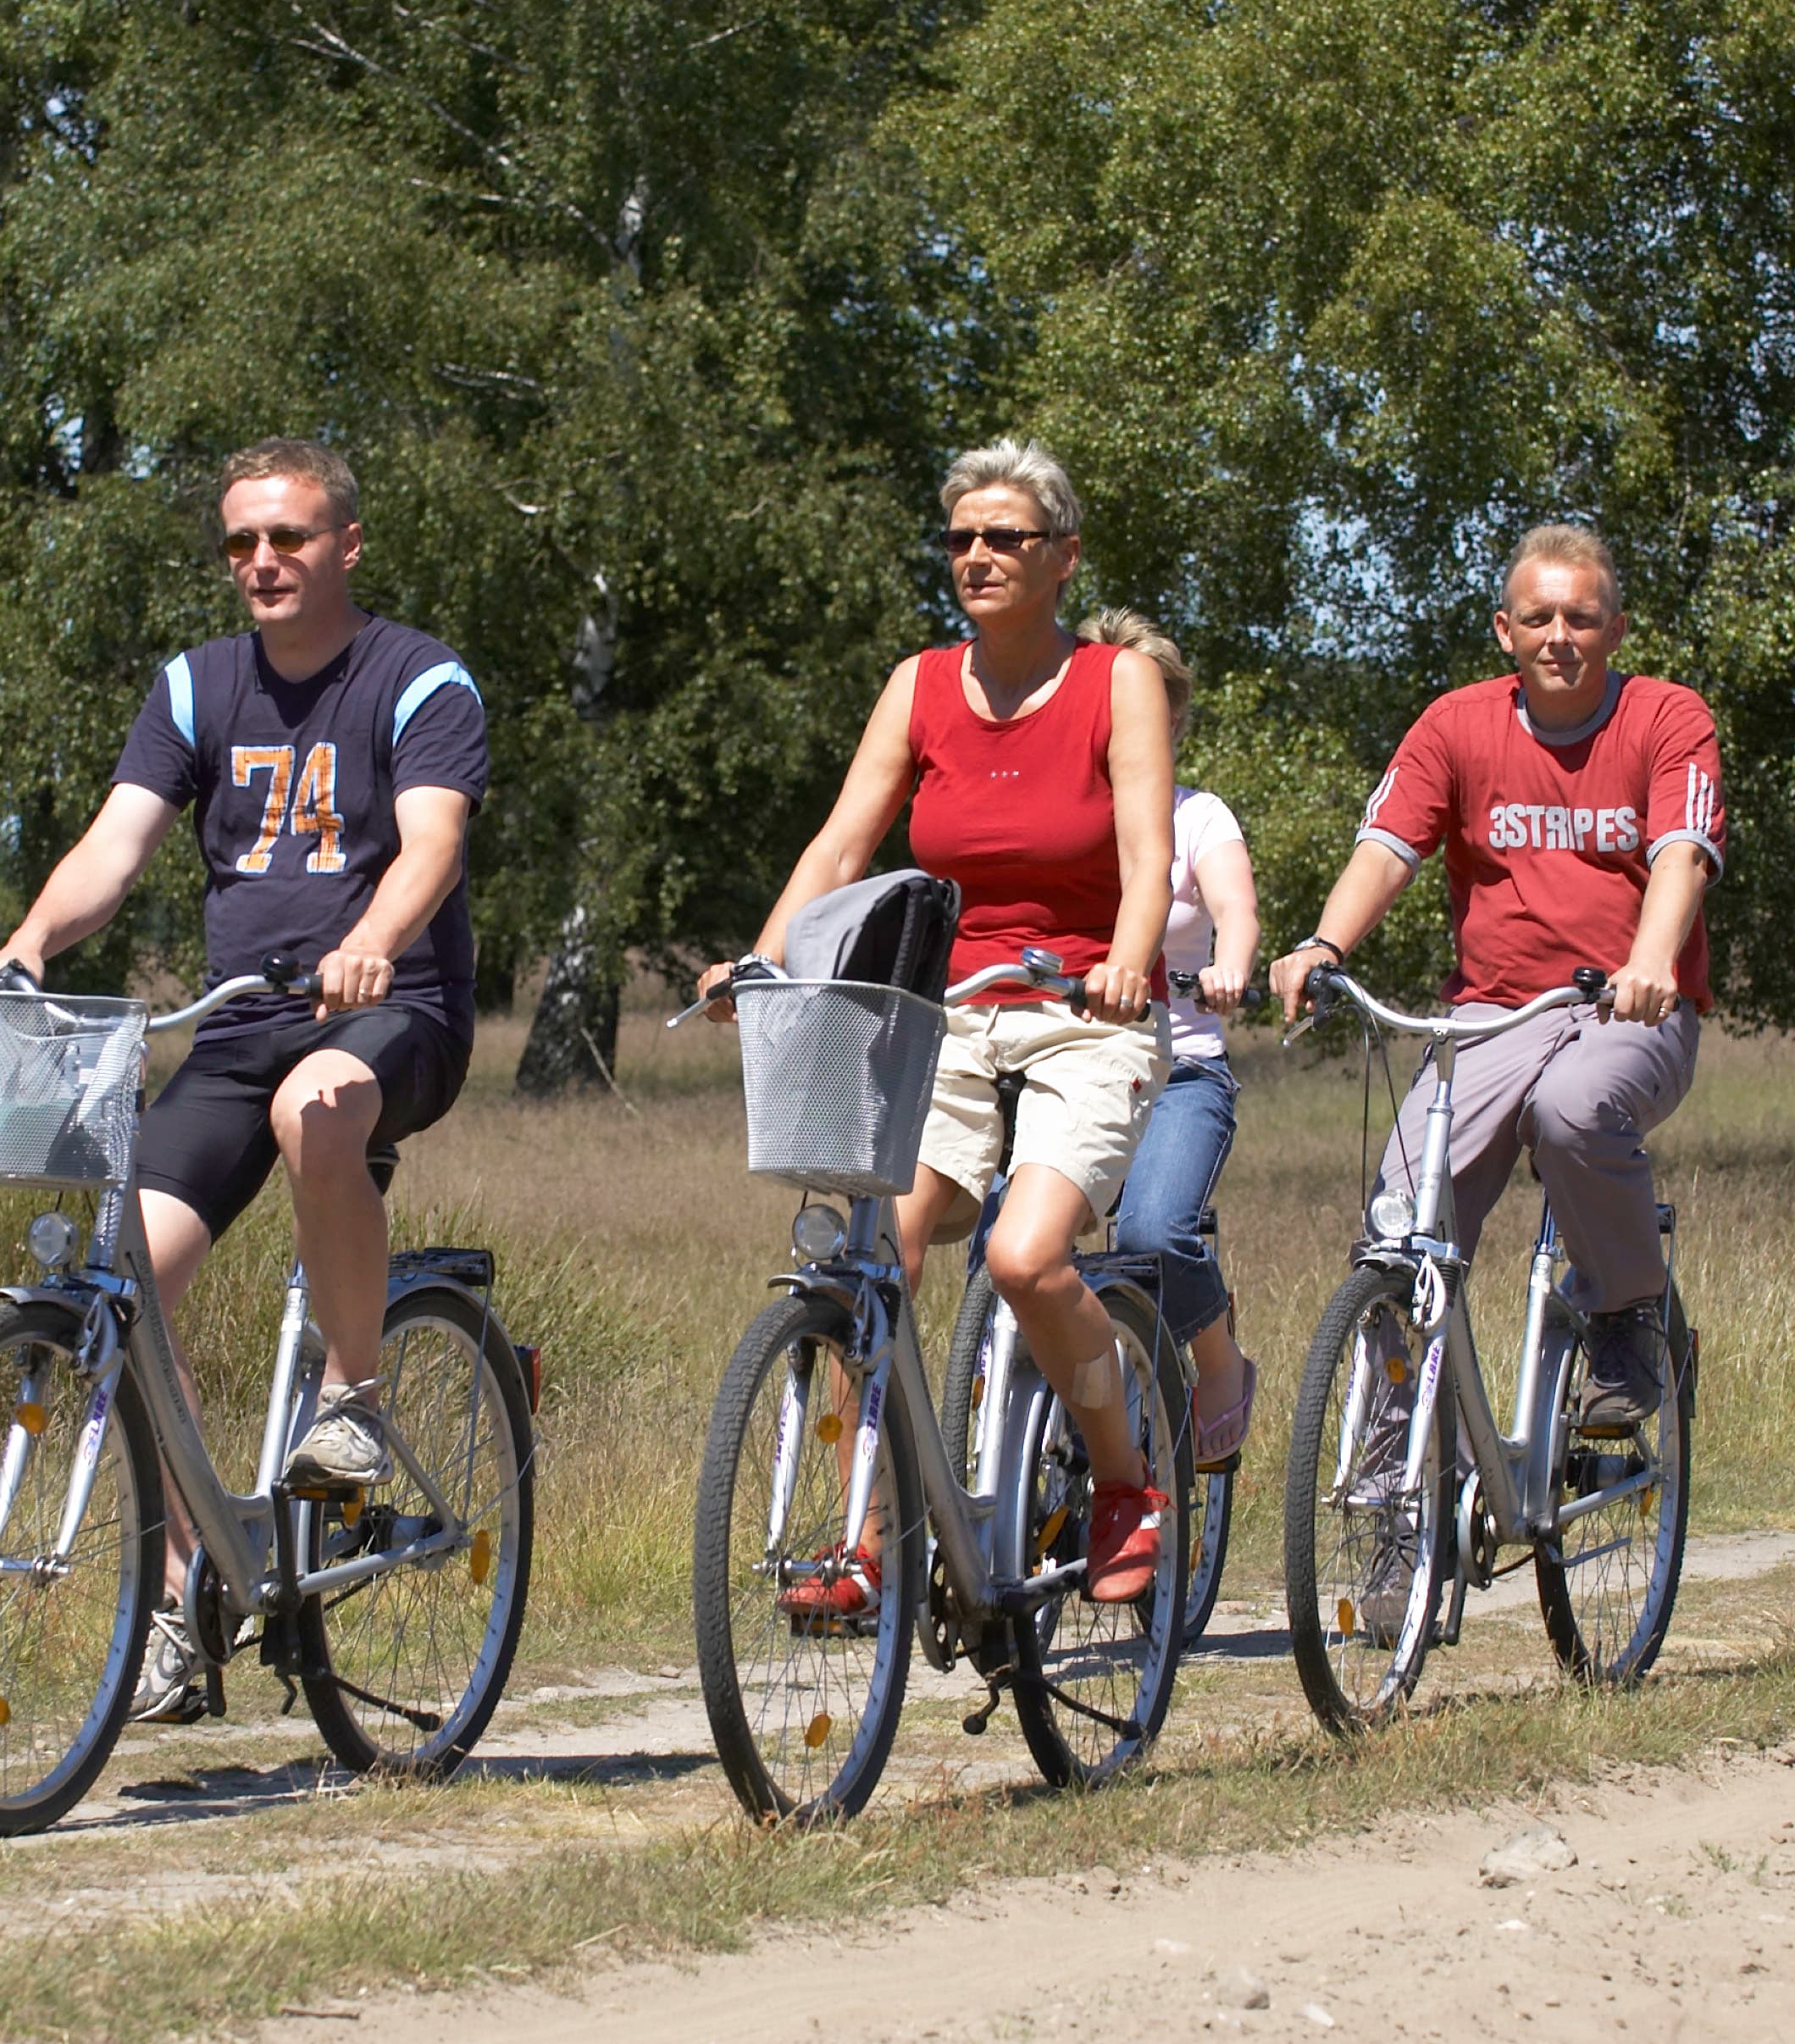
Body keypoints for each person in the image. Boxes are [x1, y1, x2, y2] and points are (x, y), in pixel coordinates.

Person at [0, 436, 490, 1720]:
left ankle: (353, 1400)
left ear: (345, 546)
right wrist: (34, 936)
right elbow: (118, 838)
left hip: (390, 1012)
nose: (263, 561)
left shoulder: (418, 679)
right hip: (241, 1018)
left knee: (316, 1108)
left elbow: (433, 841)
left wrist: (372, 941)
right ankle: (190, 1585)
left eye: (290, 537)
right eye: (242, 542)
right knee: (121, 1269)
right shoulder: (196, 687)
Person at [701, 438, 1177, 1607]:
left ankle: (1125, 1481)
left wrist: (1124, 960)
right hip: (948, 1018)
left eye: (1005, 538)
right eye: (960, 537)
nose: (977, 555)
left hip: (1081, 1014)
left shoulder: (1119, 683)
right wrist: (765, 958)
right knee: (885, 1256)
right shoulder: (920, 685)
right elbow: (842, 841)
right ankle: (875, 1533)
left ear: (1062, 558)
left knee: (1024, 1256)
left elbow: (1148, 852)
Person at [1271, 523, 1723, 1427]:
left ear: (1617, 630)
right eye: (1538, 616)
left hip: (1623, 1010)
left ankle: (1629, 1312)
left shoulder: (1668, 716)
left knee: (1571, 1113)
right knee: (1400, 1229)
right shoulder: (1456, 724)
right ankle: (1403, 1479)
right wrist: (1325, 945)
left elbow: (1682, 851)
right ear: (1503, 630)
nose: (1560, 635)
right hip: (1490, 1015)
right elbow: (1387, 848)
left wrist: (1649, 959)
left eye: (1581, 618)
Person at [1074, 607, 1261, 1466]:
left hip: (1181, 1071)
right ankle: (1015, 1419)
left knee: (1149, 1232)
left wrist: (1228, 964)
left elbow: (1233, 911)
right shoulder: (1062, 824)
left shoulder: (1199, 818)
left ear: (1172, 718)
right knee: (1003, 1239)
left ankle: (1216, 1363)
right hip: (1071, 1067)